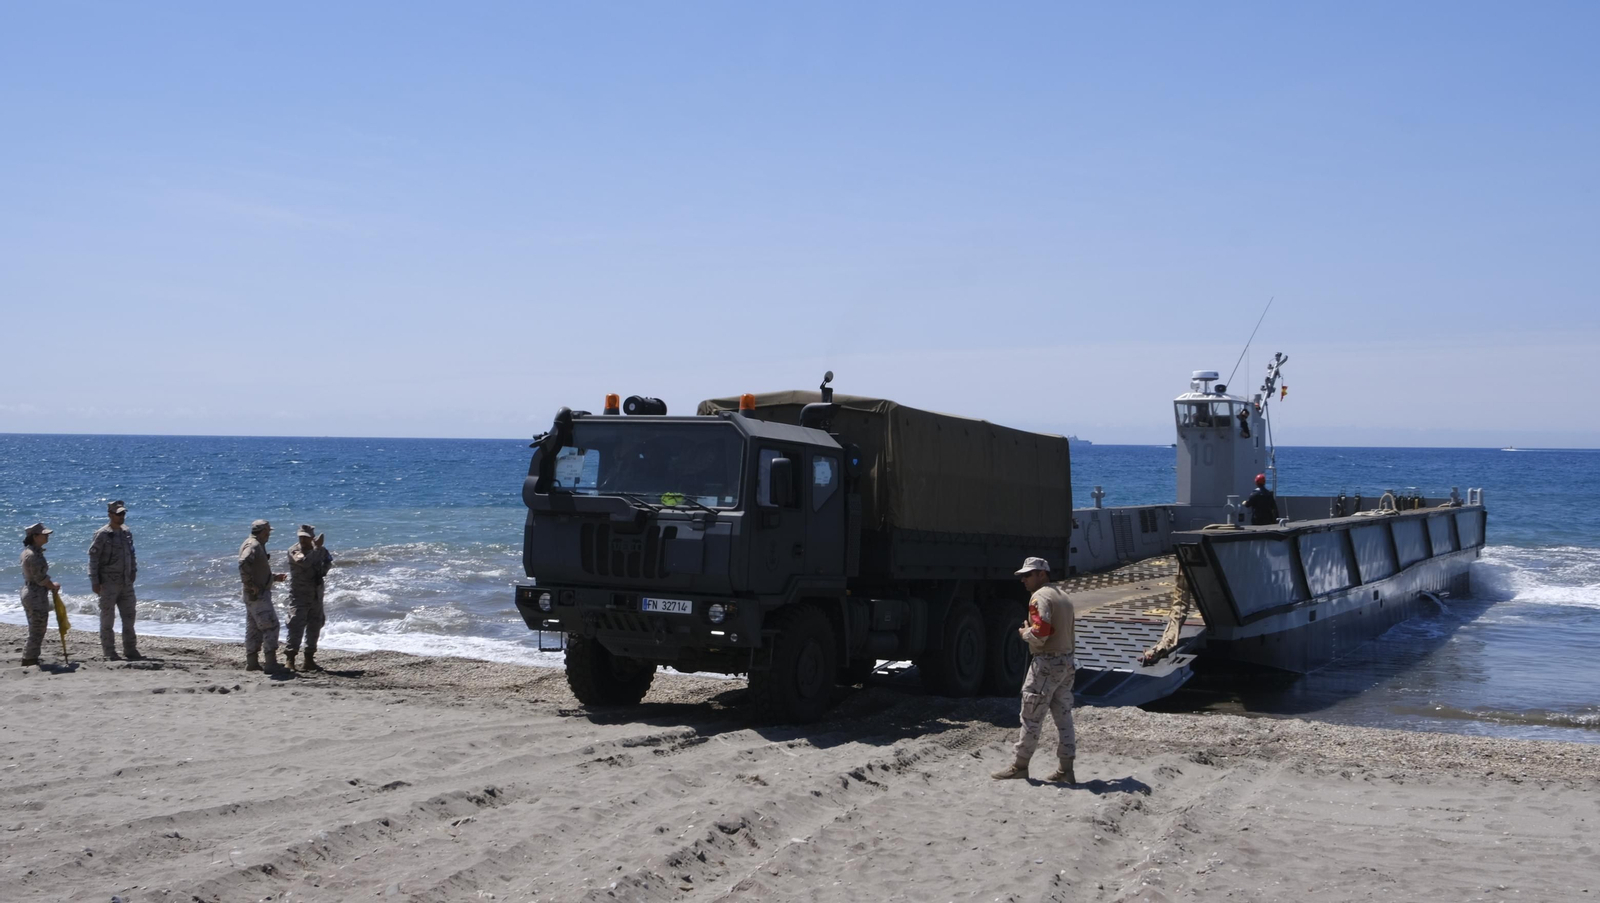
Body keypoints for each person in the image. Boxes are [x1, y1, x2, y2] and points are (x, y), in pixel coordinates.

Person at [992, 557, 1078, 784]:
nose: (1024, 580)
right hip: (1067, 662)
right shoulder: (1063, 596)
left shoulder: (1038, 598)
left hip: (1047, 663)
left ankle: (1020, 766)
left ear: (1042, 574)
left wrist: (1024, 634)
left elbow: (1042, 632)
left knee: (1030, 716)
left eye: (1028, 575)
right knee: (1063, 716)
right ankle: (1066, 769)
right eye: (1022, 576)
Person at [89, 500, 142, 661]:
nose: (121, 517)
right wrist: (95, 581)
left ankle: (130, 649)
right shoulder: (103, 534)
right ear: (110, 515)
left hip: (126, 583)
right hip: (108, 583)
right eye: (118, 514)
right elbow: (93, 558)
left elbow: (131, 554)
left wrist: (133, 571)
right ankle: (109, 651)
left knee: (129, 616)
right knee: (107, 619)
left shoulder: (126, 532)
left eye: (123, 513)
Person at [238, 519, 288, 673]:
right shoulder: (253, 545)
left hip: (252, 595)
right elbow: (243, 563)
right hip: (257, 595)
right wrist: (250, 585)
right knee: (271, 626)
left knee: (253, 628)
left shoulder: (252, 543)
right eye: (268, 532)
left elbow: (255, 569)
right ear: (263, 532)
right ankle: (271, 663)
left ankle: (252, 662)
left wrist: (273, 577)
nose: (269, 535)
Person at [284, 525, 333, 672]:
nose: (303, 540)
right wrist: (316, 550)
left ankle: (309, 659)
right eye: (301, 537)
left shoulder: (320, 550)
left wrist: (323, 570)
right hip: (299, 595)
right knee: (296, 625)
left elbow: (328, 560)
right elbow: (303, 562)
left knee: (315, 625)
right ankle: (290, 659)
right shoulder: (295, 550)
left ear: (312, 537)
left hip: (316, 594)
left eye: (306, 537)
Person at [18, 523, 63, 667]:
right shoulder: (32, 555)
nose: (47, 536)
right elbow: (40, 579)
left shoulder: (31, 552)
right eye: (44, 534)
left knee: (36, 627)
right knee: (38, 629)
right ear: (35, 536)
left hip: (31, 592)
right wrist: (53, 585)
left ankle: (30, 657)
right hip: (35, 594)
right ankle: (29, 659)